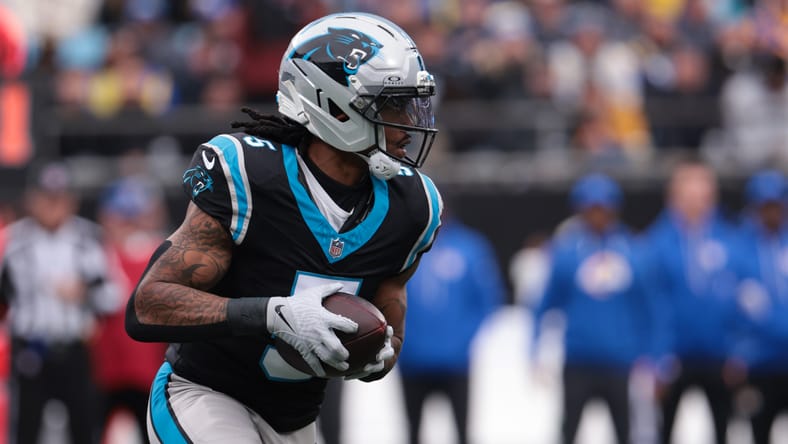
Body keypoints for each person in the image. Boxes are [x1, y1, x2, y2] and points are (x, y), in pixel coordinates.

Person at [125, 12, 442, 444]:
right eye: (390, 103)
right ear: (332, 103)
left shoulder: (414, 207)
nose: (408, 120)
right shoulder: (251, 175)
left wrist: (375, 358)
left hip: (295, 420)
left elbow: (390, 322)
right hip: (205, 395)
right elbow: (147, 304)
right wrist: (272, 315)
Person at [0, 161, 120, 444]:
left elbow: (115, 296)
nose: (52, 206)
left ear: (71, 201)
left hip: (74, 348)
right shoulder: (13, 241)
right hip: (29, 349)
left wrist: (84, 293)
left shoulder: (88, 238)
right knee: (25, 428)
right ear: (31, 200)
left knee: (83, 427)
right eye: (45, 198)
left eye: (58, 198)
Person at [531, 173, 657, 444]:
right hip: (579, 359)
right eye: (592, 208)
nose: (598, 215)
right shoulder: (566, 250)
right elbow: (545, 303)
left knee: (625, 430)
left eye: (604, 208)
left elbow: (648, 308)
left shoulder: (633, 250)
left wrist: (652, 357)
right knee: (569, 429)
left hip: (620, 361)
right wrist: (536, 347)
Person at [645, 160, 744, 444]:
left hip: (718, 356)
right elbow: (651, 304)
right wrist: (656, 356)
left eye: (702, 194)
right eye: (688, 195)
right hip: (674, 358)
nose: (696, 202)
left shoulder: (730, 240)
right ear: (673, 198)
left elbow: (739, 300)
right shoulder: (657, 242)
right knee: (664, 431)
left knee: (723, 430)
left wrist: (738, 350)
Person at [397, 206, 506, 444]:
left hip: (455, 361)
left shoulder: (470, 247)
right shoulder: (402, 244)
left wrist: (464, 338)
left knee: (462, 431)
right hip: (412, 359)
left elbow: (488, 299)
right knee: (412, 431)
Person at [92, 176, 168, 444]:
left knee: (151, 432)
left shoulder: (160, 253)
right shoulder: (96, 254)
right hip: (106, 368)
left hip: (146, 367)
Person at [735, 170, 788, 444]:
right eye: (764, 206)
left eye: (776, 205)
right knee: (759, 433)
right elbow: (732, 311)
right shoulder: (738, 249)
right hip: (761, 364)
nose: (771, 213)